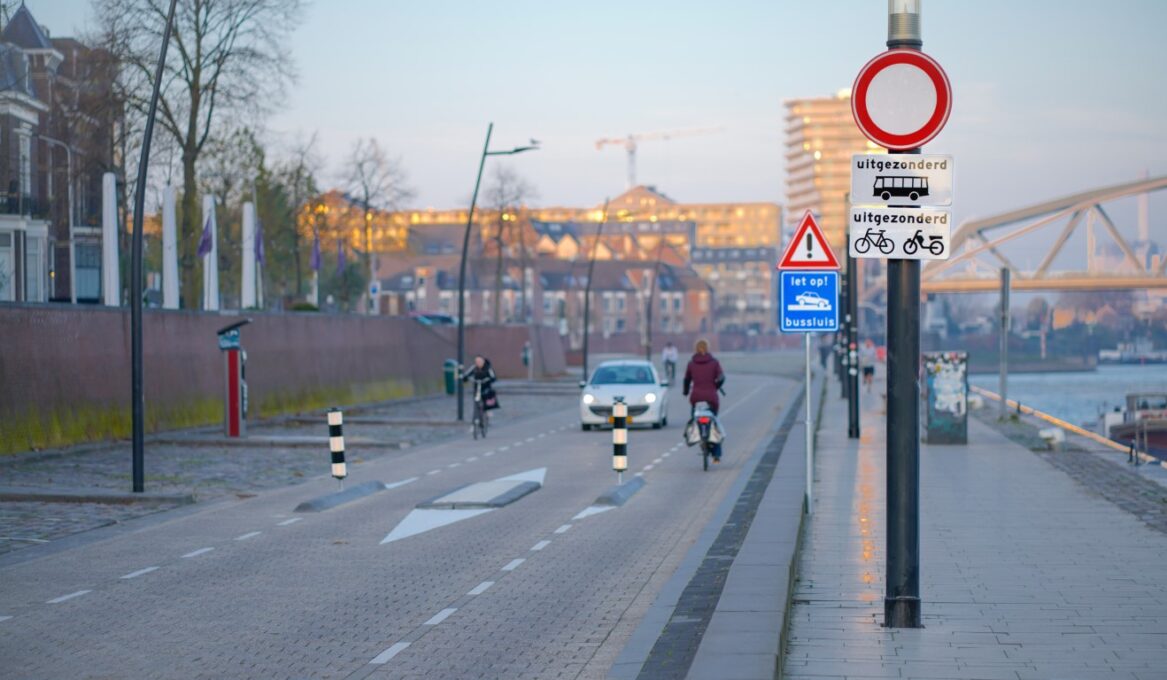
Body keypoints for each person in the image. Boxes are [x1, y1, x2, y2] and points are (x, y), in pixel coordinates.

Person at [683, 339, 726, 462]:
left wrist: (686, 392)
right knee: (714, 423)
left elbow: (686, 380)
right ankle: (717, 454)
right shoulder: (714, 363)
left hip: (696, 397)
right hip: (711, 398)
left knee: (694, 419)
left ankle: (696, 437)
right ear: (707, 348)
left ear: (696, 348)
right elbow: (722, 377)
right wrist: (716, 387)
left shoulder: (691, 363)